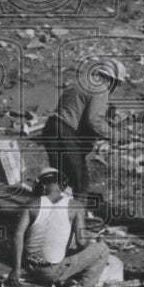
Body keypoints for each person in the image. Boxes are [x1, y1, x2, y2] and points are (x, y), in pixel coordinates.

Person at [6, 167, 109, 287]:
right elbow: (81, 242)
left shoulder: (31, 204)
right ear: (63, 186)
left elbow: (17, 235)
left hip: (29, 267)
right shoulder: (75, 206)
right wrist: (94, 241)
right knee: (102, 249)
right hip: (52, 272)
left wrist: (16, 269)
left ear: (42, 185)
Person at [40, 60, 124, 196]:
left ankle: (55, 210)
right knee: (80, 178)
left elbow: (78, 113)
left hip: (51, 127)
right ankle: (80, 213)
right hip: (65, 131)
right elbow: (93, 121)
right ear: (112, 80)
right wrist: (117, 136)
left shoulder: (80, 82)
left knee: (59, 176)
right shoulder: (101, 88)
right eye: (117, 84)